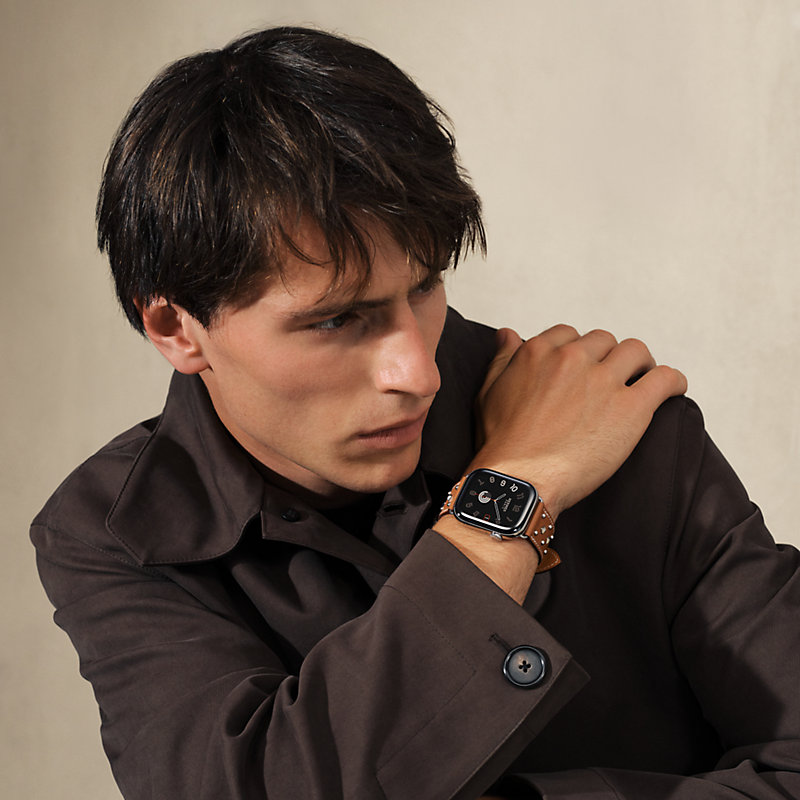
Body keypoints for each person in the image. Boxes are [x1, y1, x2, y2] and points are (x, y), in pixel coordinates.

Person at [31, 26, 800, 800]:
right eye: (337, 320)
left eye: (425, 286)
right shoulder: (114, 531)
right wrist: (511, 494)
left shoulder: (605, 418)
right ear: (177, 328)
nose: (417, 373)